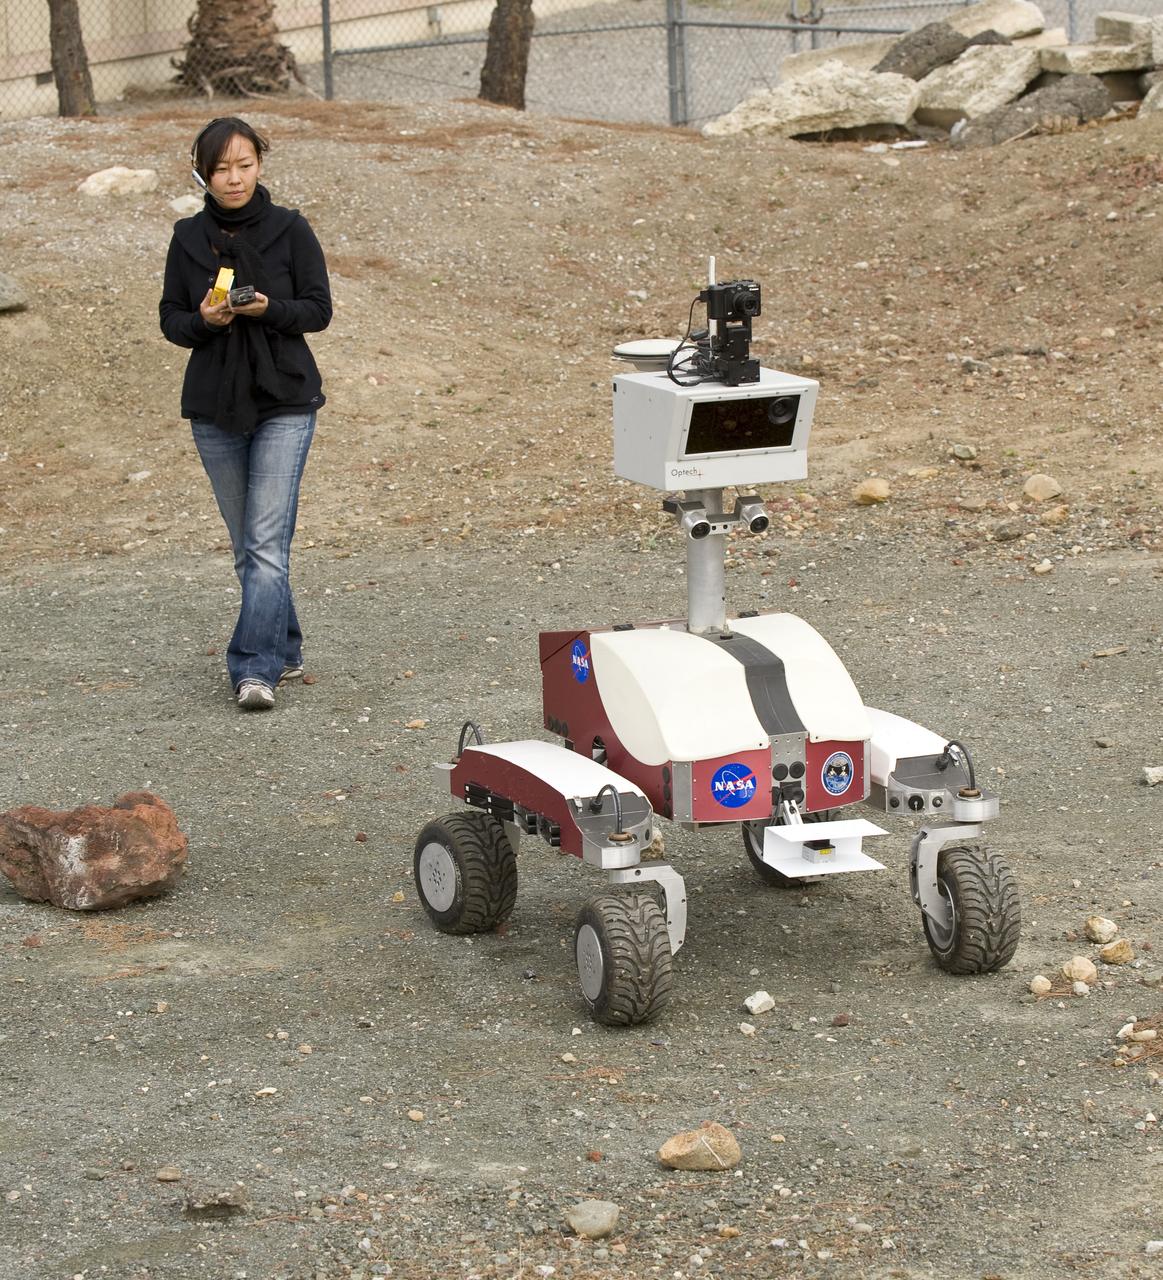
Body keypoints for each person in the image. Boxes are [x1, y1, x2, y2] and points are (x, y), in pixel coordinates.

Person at [159, 117, 332, 711]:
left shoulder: (290, 229)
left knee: (263, 543)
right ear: (202, 172)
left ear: (261, 163)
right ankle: (283, 645)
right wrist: (204, 320)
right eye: (220, 168)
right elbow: (170, 321)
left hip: (284, 397)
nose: (233, 179)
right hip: (214, 405)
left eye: (244, 165)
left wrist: (266, 308)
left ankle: (253, 670)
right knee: (250, 547)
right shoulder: (187, 238)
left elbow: (317, 310)